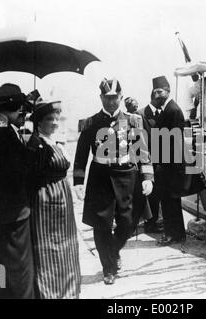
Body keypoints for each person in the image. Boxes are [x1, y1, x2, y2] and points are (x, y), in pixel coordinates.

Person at [73, 78, 154, 285]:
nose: (111, 102)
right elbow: (81, 153)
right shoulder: (90, 123)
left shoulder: (134, 120)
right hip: (100, 178)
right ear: (101, 97)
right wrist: (78, 181)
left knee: (128, 222)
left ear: (121, 96)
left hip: (127, 176)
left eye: (115, 98)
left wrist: (147, 177)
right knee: (101, 225)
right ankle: (108, 267)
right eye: (107, 98)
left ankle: (113, 250)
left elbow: (143, 151)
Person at [0, 83, 35, 299]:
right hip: (11, 216)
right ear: (10, 108)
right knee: (17, 272)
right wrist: (30, 146)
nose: (23, 112)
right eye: (20, 107)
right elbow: (17, 171)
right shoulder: (2, 134)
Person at [27, 99, 81, 299]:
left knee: (65, 247)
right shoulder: (37, 144)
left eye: (57, 118)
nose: (56, 123)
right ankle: (50, 293)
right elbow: (32, 174)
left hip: (60, 200)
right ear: (39, 122)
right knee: (49, 249)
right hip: (46, 202)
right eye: (50, 119)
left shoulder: (50, 141)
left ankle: (66, 291)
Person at [151, 76, 187, 246]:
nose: (157, 95)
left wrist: (161, 165)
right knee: (171, 200)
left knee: (168, 200)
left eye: (160, 92)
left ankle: (172, 234)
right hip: (169, 163)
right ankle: (177, 233)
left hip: (170, 164)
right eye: (155, 92)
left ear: (168, 91)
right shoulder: (168, 110)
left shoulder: (172, 110)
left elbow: (173, 141)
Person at [135, 92, 164, 234]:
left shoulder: (164, 113)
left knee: (158, 192)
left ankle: (154, 221)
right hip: (147, 159)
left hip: (161, 159)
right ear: (152, 96)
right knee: (148, 192)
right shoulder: (140, 114)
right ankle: (150, 223)